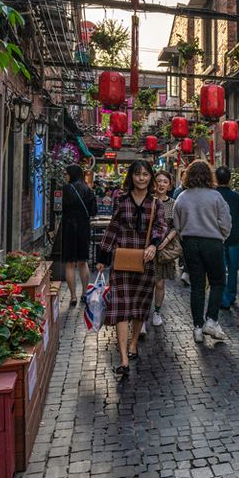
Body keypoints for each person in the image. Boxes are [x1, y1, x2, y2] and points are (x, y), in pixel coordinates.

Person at [96, 160, 168, 378]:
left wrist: (154, 246)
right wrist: (103, 256)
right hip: (122, 260)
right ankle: (124, 360)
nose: (141, 178)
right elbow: (113, 228)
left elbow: (160, 227)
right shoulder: (122, 200)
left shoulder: (156, 204)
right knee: (121, 308)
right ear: (131, 177)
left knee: (139, 307)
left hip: (144, 261)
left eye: (145, 174)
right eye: (137, 174)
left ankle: (134, 343)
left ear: (151, 178)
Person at [174, 160, 233, 343]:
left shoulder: (182, 197)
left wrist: (185, 237)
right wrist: (221, 236)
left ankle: (197, 327)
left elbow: (177, 224)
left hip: (190, 243)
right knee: (217, 282)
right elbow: (226, 223)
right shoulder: (215, 197)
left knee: (197, 287)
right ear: (209, 175)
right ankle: (211, 319)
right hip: (212, 242)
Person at [60, 164, 97, 307]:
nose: (66, 176)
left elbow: (59, 209)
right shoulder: (88, 190)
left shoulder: (65, 189)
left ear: (71, 174)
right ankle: (84, 294)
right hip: (83, 228)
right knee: (83, 261)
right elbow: (93, 211)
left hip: (68, 227)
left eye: (67, 174)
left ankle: (73, 296)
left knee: (69, 263)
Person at [148, 169, 179, 332]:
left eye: (164, 182)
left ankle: (157, 312)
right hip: (146, 248)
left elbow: (176, 227)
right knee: (145, 283)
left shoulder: (173, 204)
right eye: (159, 181)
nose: (161, 184)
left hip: (163, 249)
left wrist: (165, 240)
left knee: (160, 283)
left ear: (169, 185)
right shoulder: (148, 200)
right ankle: (142, 315)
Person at [215, 166, 239, 313]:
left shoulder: (213, 195)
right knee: (233, 268)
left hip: (217, 237)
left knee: (220, 268)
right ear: (230, 179)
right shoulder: (237, 196)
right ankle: (231, 295)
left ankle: (223, 297)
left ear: (216, 179)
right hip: (234, 236)